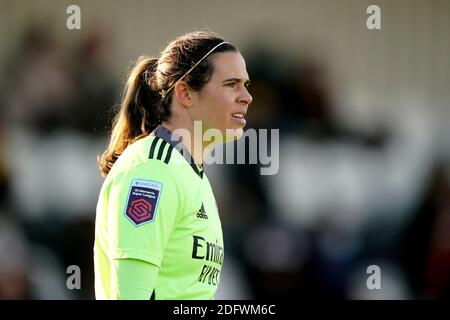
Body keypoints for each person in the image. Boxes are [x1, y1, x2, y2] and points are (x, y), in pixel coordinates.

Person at [94, 31, 253, 300]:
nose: (246, 97)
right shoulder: (151, 170)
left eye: (245, 84)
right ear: (185, 93)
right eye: (231, 84)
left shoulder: (190, 172)